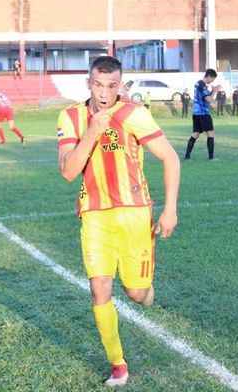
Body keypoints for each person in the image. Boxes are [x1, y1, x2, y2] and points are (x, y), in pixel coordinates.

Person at [56, 56, 180, 387]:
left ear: (120, 86)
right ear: (88, 83)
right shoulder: (70, 117)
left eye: (112, 86)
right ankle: (118, 364)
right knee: (100, 288)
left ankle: (145, 290)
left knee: (136, 294)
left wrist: (170, 209)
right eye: (98, 84)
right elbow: (68, 172)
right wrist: (93, 131)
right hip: (95, 216)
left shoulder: (134, 114)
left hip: (135, 215)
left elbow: (170, 156)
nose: (104, 93)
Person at [183, 68, 221, 161]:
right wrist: (215, 91)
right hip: (203, 113)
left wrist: (212, 91)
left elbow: (205, 97)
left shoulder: (198, 84)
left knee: (195, 134)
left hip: (196, 113)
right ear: (209, 76)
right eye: (212, 79)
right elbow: (208, 99)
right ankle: (211, 157)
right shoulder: (202, 85)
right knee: (210, 133)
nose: (212, 81)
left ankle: (187, 156)